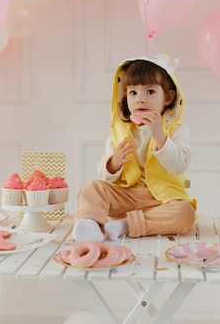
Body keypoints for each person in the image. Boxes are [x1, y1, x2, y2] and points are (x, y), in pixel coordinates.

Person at [73, 54, 196, 242]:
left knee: (185, 213)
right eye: (133, 93)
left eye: (150, 92)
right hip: (126, 196)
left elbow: (179, 165)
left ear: (168, 98)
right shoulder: (120, 132)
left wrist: (160, 136)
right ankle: (89, 224)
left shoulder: (176, 131)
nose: (140, 100)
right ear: (125, 96)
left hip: (161, 200)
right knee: (91, 188)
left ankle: (125, 225)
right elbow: (105, 174)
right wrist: (113, 163)